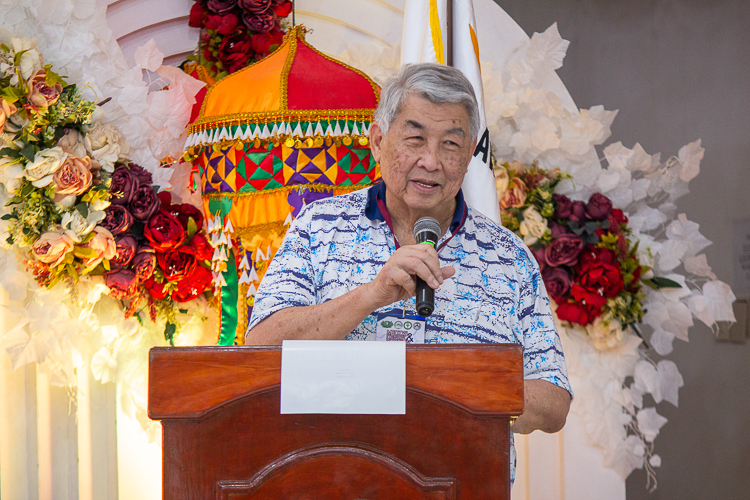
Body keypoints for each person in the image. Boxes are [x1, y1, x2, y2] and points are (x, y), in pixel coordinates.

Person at [246, 62, 572, 481]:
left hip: (460, 486)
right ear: (378, 140)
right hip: (330, 483)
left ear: (470, 152)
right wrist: (372, 294)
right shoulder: (318, 227)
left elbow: (553, 402)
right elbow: (261, 349)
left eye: (451, 144)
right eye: (414, 139)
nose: (431, 161)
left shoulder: (508, 257)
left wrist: (453, 383)